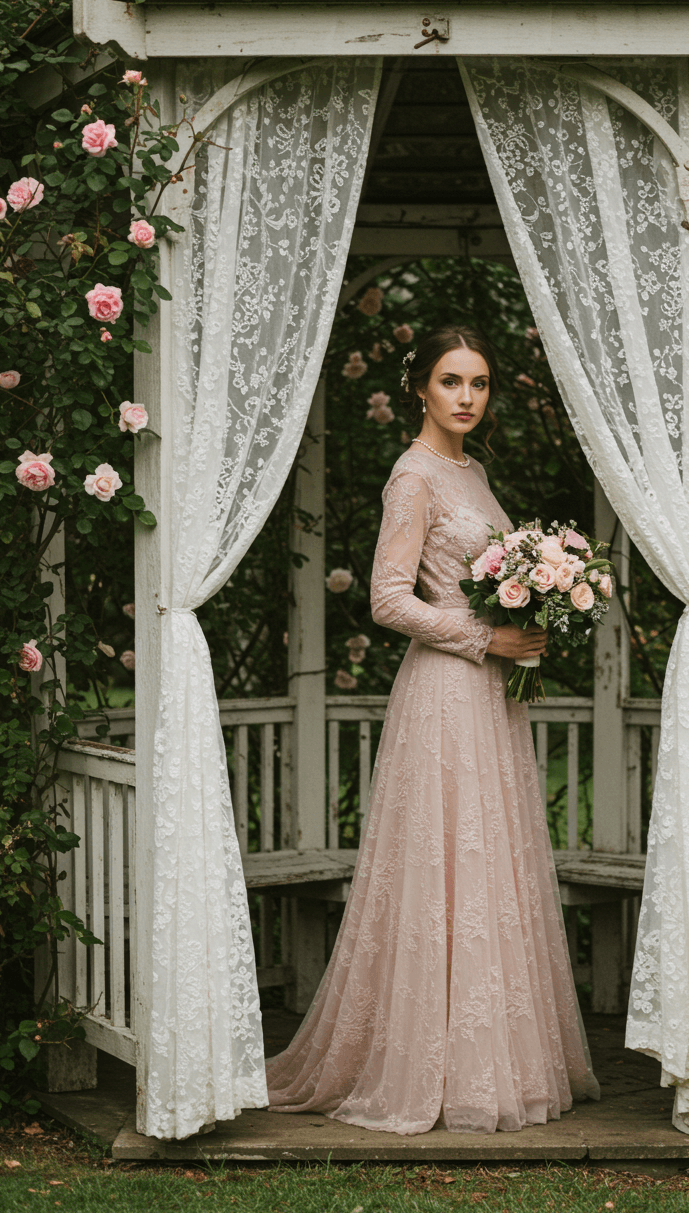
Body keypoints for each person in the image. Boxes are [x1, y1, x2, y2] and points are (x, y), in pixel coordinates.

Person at [265, 323, 600, 1134]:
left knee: (490, 864)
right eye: (452, 382)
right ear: (420, 387)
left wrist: (536, 603)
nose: (467, 397)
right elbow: (387, 599)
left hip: (492, 700)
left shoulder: (473, 471)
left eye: (479, 383)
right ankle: (428, 1067)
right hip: (447, 690)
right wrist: (490, 637)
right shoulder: (412, 476)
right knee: (444, 863)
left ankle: (491, 1058)